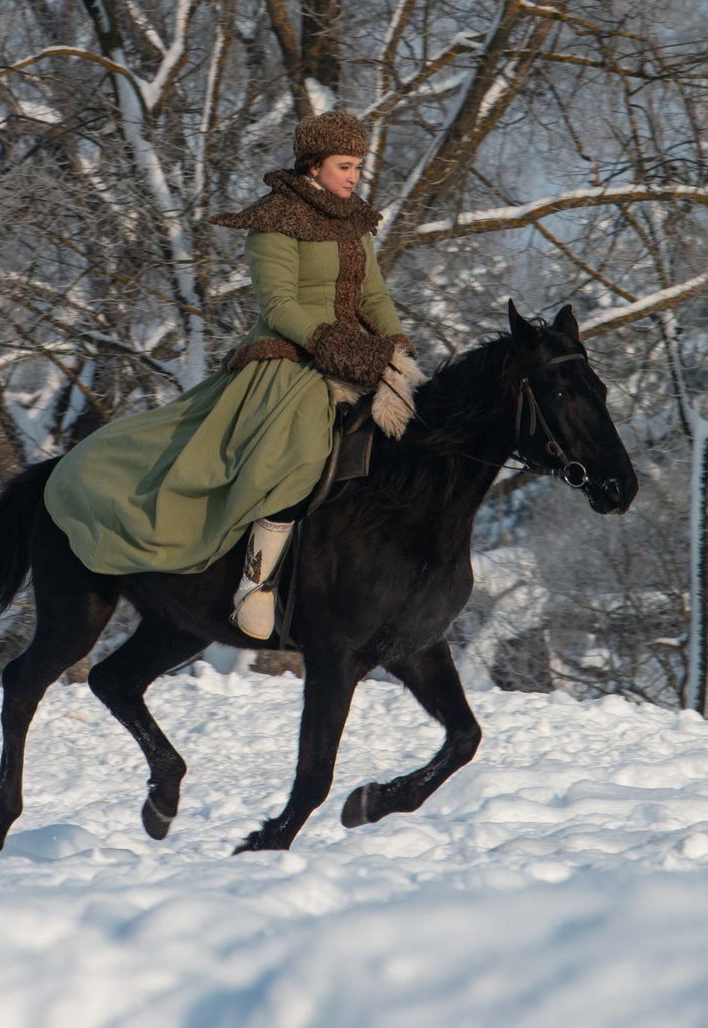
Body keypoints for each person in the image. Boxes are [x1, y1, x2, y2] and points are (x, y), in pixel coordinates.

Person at [43, 110, 423, 638]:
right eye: (345, 165)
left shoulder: (357, 220)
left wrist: (398, 349)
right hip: (291, 359)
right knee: (300, 447)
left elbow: (374, 297)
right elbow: (280, 305)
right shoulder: (277, 219)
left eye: (358, 165)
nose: (355, 176)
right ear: (313, 165)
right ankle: (255, 584)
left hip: (358, 357)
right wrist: (332, 346)